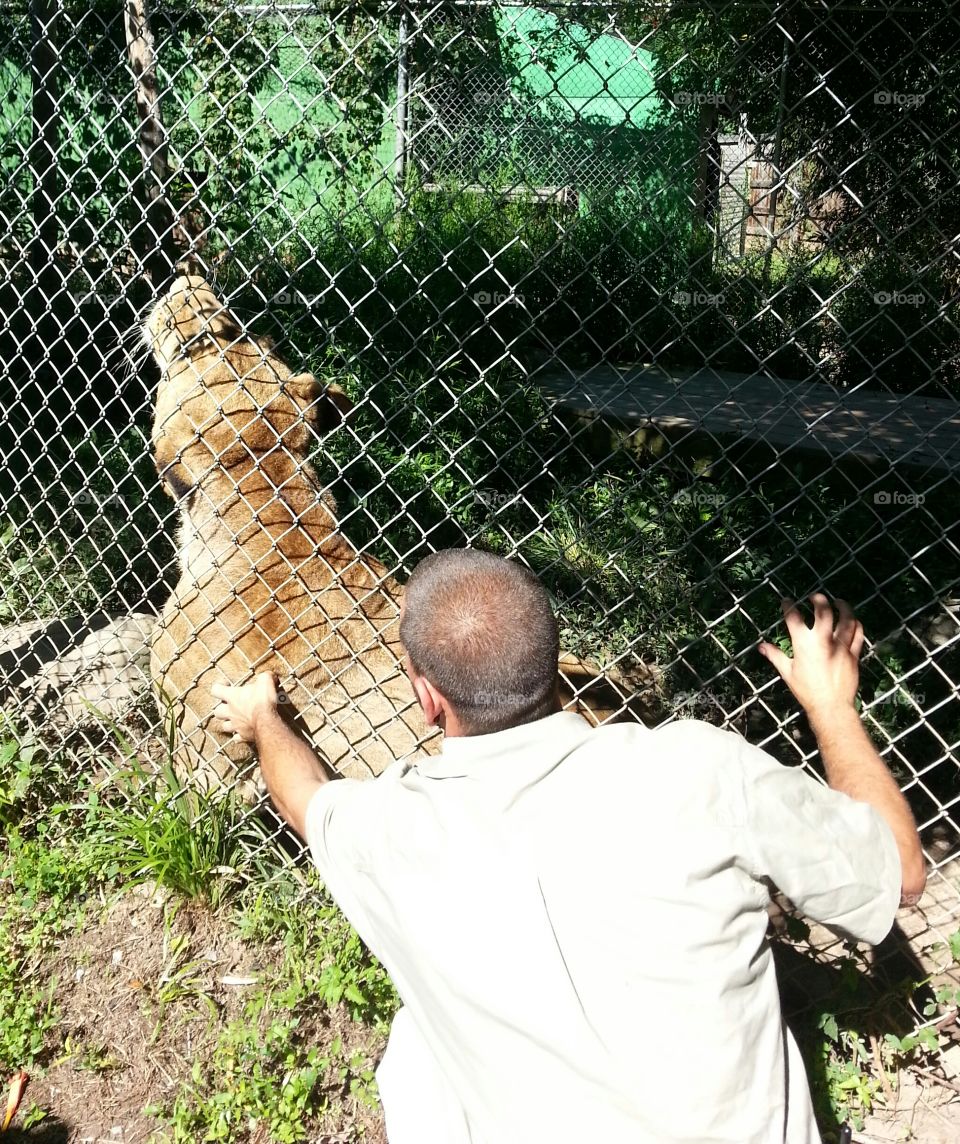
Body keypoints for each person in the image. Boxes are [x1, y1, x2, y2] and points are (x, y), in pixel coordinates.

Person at [212, 549, 925, 1144]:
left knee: (417, 1051)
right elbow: (900, 875)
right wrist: (831, 704)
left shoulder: (389, 828)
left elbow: (303, 800)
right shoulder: (695, 768)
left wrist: (262, 718)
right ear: (558, 662)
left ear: (427, 697)